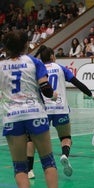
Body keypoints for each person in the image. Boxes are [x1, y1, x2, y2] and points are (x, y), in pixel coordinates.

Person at [0, 30, 58, 187]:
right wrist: (53, 94)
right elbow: (45, 88)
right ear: (26, 44)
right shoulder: (34, 62)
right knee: (48, 162)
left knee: (20, 168)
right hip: (35, 113)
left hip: (12, 116)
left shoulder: (1, 66)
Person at [30, 45, 93, 177]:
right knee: (65, 137)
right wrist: (90, 94)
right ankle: (64, 155)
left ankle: (29, 170)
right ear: (53, 56)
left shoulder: (38, 70)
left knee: (33, 139)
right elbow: (77, 83)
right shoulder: (61, 68)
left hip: (44, 111)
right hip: (61, 109)